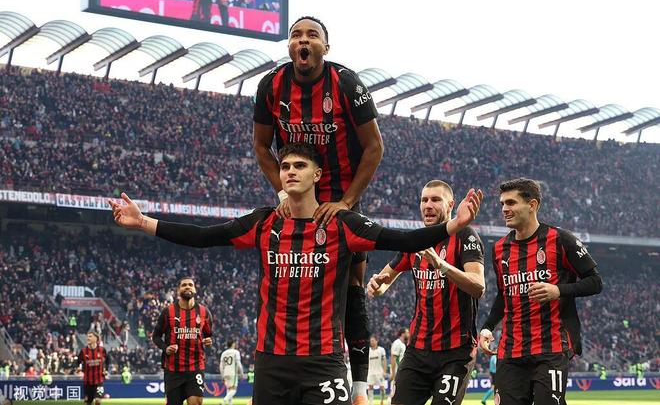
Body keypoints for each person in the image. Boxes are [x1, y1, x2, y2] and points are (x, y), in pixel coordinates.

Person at [109, 142, 482, 405]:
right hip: (272, 361)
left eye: (299, 165)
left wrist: (453, 225)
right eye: (285, 166)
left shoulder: (341, 224)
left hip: (324, 361)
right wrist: (143, 222)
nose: (290, 171)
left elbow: (402, 239)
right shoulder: (263, 222)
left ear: (317, 174)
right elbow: (203, 236)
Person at [253, 15, 384, 404]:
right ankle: (278, 366)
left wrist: (346, 202)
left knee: (353, 284)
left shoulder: (346, 83)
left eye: (312, 35)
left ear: (326, 47)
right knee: (281, 275)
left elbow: (374, 147)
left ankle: (358, 386)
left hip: (340, 200)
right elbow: (261, 145)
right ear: (289, 46)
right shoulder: (271, 85)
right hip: (296, 198)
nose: (303, 40)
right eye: (296, 35)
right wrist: (282, 192)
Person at [479, 178, 603, 405]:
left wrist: (558, 290)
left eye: (511, 203)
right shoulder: (499, 249)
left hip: (551, 348)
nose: (504, 209)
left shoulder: (561, 240)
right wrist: (487, 327)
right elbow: (503, 295)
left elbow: (595, 282)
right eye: (502, 204)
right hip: (510, 351)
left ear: (532, 205)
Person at [368, 180, 486, 405]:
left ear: (450, 204)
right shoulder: (416, 240)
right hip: (418, 350)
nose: (428, 205)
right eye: (424, 200)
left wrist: (441, 265)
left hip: (456, 352)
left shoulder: (465, 236)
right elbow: (384, 281)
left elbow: (478, 286)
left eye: (435, 200)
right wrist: (376, 285)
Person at [151, 277, 214, 405]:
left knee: (196, 402)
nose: (187, 287)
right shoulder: (168, 312)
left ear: (195, 289)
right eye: (184, 285)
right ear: (178, 290)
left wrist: (208, 341)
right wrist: (166, 348)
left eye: (190, 285)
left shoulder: (204, 312)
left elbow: (208, 335)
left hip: (195, 366)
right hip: (173, 369)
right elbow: (156, 336)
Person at [77, 331, 109, 405]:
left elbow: (107, 360)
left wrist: (106, 369)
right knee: (88, 402)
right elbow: (78, 362)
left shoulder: (102, 350)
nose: (88, 338)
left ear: (96, 338)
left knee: (98, 401)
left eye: (90, 336)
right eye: (87, 336)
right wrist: (79, 368)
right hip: (87, 381)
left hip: (99, 381)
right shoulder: (83, 351)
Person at [220, 339, 244, 405]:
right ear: (233, 344)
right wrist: (241, 373)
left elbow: (221, 366)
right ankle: (224, 401)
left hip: (225, 373)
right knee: (233, 390)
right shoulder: (236, 352)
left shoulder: (224, 353)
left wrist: (222, 375)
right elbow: (238, 363)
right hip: (233, 373)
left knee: (229, 389)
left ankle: (230, 404)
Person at [366, 336, 387, 405]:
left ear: (376, 341)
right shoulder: (368, 350)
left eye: (373, 341)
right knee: (370, 387)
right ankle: (370, 402)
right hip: (370, 372)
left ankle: (382, 401)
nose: (371, 342)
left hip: (379, 372)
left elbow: (384, 361)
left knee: (382, 387)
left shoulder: (381, 350)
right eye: (371, 341)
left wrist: (384, 371)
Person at [389, 328, 408, 401]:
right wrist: (393, 373)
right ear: (403, 334)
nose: (408, 334)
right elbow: (393, 358)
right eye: (407, 332)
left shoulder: (402, 344)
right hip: (397, 371)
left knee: (400, 392)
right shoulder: (397, 343)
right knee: (394, 392)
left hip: (401, 371)